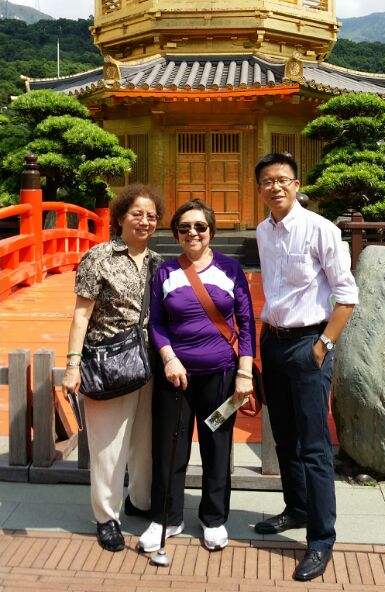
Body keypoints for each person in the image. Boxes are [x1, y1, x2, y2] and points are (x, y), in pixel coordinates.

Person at [254, 153, 358, 582]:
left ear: (296, 184)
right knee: (284, 436)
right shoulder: (263, 230)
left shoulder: (321, 229)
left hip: (309, 342)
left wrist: (324, 344)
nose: (275, 187)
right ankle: (295, 508)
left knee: (314, 446)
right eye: (266, 182)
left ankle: (321, 539)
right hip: (273, 342)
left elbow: (347, 294)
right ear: (259, 189)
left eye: (282, 180)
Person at [139, 199, 256, 553]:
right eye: (185, 227)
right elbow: (156, 322)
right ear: (175, 233)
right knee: (168, 448)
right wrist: (169, 358)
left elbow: (246, 323)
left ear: (211, 232)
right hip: (175, 376)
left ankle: (214, 517)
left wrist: (244, 373)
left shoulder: (231, 269)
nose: (193, 233)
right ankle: (166, 517)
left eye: (200, 227)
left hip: (220, 374)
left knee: (216, 447)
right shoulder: (165, 272)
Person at [61, 184, 164, 552]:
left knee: (144, 439)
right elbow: (81, 314)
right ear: (120, 217)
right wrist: (73, 365)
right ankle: (106, 517)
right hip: (107, 360)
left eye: (151, 216)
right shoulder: (98, 257)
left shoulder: (157, 261)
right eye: (137, 213)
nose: (145, 221)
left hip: (148, 360)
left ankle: (141, 499)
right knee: (108, 446)